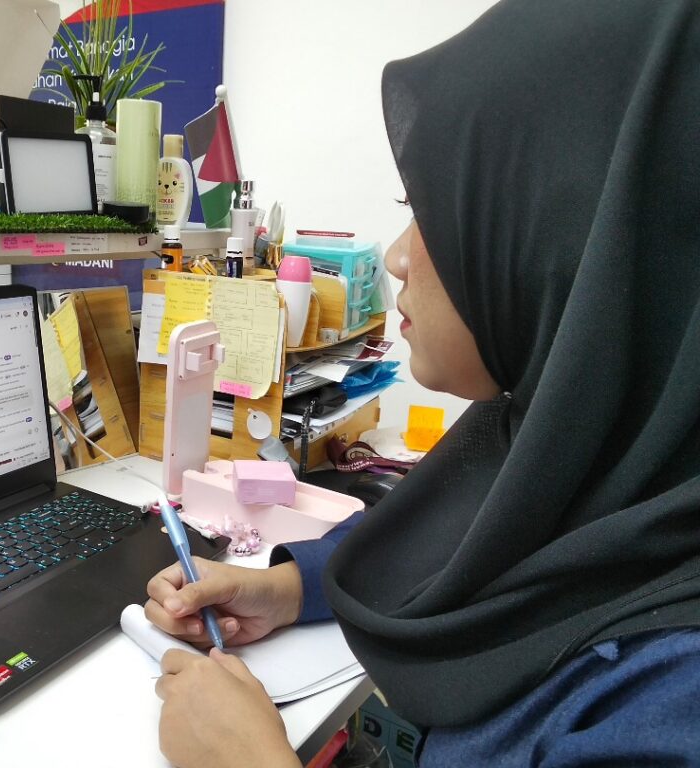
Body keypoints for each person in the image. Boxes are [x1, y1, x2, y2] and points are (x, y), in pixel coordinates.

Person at [146, 1, 700, 765]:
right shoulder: (578, 456)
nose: (398, 257)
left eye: (427, 212)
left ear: (570, 236)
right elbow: (456, 544)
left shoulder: (674, 697)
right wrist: (291, 590)